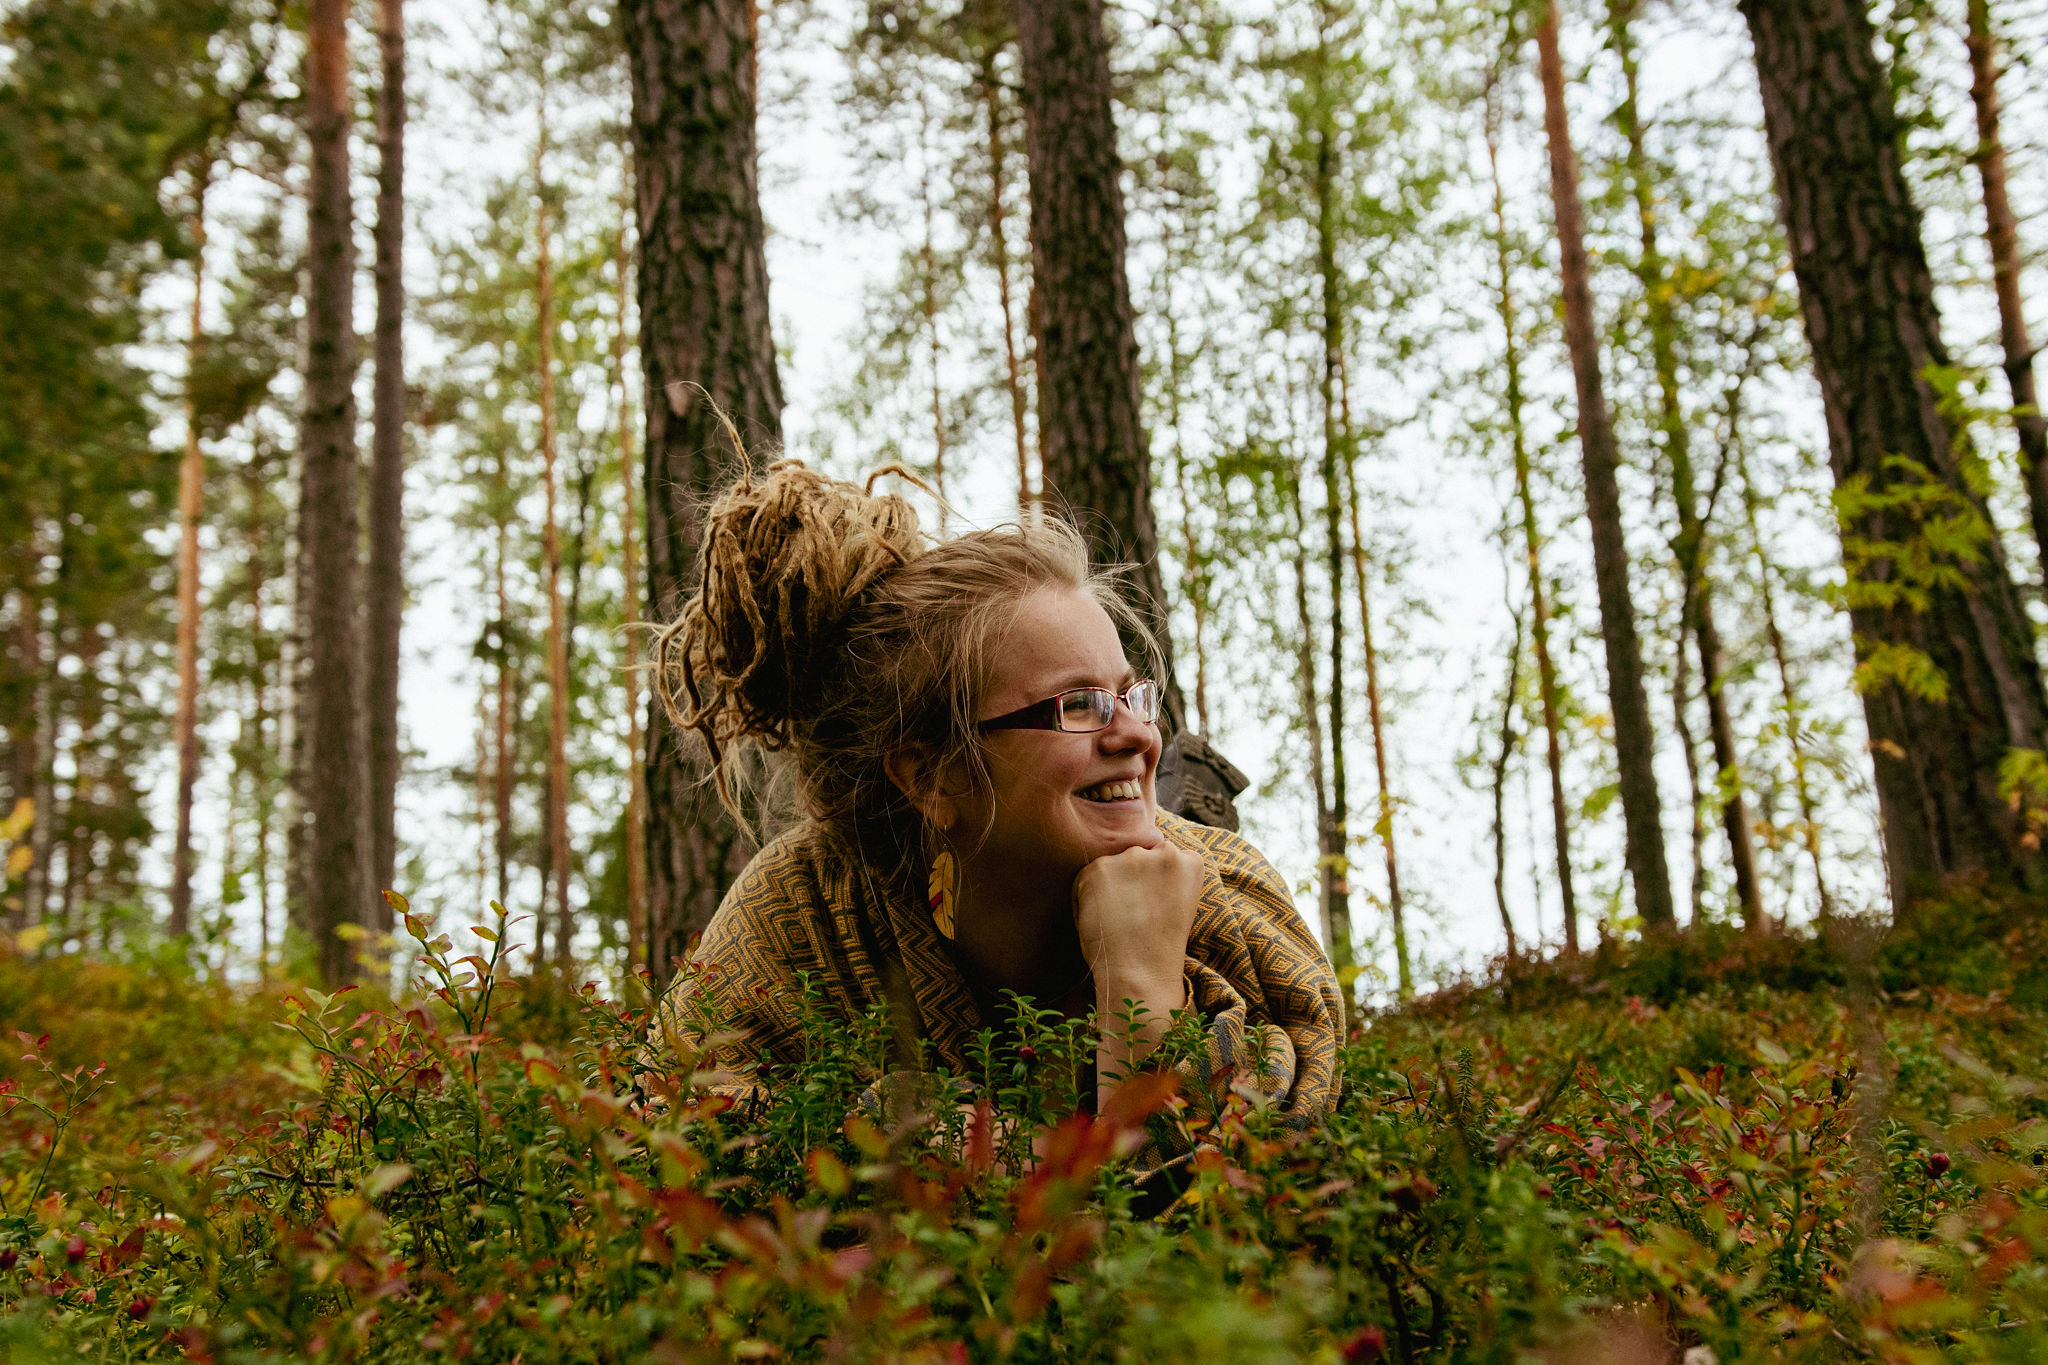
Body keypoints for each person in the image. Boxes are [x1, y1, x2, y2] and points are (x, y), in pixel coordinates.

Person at [649, 460, 1342, 1141]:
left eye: (1134, 695)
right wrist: (996, 1154)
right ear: (931, 776)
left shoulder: (1229, 901)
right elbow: (674, 1130)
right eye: (1080, 705)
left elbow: (1227, 1193)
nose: (1137, 732)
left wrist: (1139, 978)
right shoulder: (802, 912)